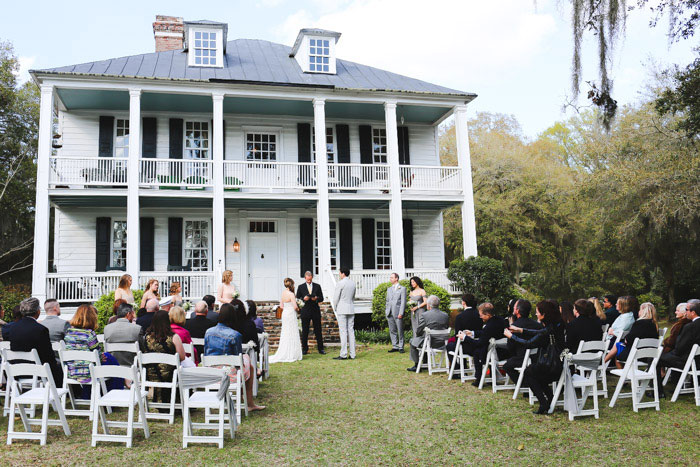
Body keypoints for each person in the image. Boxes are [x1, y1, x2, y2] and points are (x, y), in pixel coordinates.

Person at [504, 300, 566, 414]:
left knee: (529, 372)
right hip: (560, 363)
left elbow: (529, 343)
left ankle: (543, 403)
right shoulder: (557, 324)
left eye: (537, 312)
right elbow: (540, 332)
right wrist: (521, 330)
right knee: (535, 371)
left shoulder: (549, 329)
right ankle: (550, 398)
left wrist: (512, 336)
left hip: (553, 367)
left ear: (544, 314)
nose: (536, 314)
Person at [204, 303, 265, 411]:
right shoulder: (235, 335)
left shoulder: (208, 332)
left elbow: (206, 353)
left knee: (245, 361)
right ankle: (249, 403)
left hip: (211, 372)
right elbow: (237, 360)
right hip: (229, 373)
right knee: (249, 366)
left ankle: (244, 399)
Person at [65, 304, 123, 396]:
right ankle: (116, 392)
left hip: (72, 370)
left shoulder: (69, 333)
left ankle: (89, 395)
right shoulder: (89, 334)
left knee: (108, 358)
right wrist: (101, 355)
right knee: (111, 360)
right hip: (88, 371)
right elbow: (97, 355)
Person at [8, 298, 63, 386]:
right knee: (59, 368)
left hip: (17, 372)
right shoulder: (41, 329)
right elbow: (48, 356)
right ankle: (61, 393)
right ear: (38, 311)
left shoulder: (13, 328)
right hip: (37, 372)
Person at [657, 299, 700, 398]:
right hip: (696, 361)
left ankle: (658, 391)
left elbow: (679, 348)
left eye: (687, 309)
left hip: (687, 361)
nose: (686, 311)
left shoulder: (690, 327)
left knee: (655, 359)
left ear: (693, 313)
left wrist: (670, 354)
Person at [141, 309, 185, 404]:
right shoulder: (174, 337)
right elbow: (182, 357)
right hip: (170, 375)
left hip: (150, 374)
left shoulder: (145, 337)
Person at [459, 302, 507, 385]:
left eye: (481, 314)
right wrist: (472, 333)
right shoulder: (500, 320)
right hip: (504, 350)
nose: (480, 316)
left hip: (494, 353)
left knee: (477, 351)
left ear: (488, 314)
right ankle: (491, 377)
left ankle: (479, 379)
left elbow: (479, 343)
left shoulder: (489, 325)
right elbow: (486, 333)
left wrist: (464, 338)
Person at [605, 302, 659, 366]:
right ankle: (603, 363)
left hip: (636, 354)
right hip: (650, 354)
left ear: (643, 311)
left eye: (640, 310)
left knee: (618, 351)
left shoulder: (639, 323)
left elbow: (629, 339)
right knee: (618, 346)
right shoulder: (655, 324)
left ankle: (603, 363)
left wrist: (625, 339)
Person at [503, 299, 541, 389]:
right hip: (537, 358)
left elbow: (510, 348)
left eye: (515, 307)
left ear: (517, 311)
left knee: (507, 366)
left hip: (522, 358)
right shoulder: (537, 325)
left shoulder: (514, 327)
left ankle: (525, 384)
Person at [407, 295, 449, 372]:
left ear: (429, 305)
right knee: (424, 339)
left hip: (430, 342)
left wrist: (418, 335)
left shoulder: (425, 315)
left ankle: (417, 365)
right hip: (443, 343)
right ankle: (425, 362)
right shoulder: (445, 315)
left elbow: (419, 330)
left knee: (413, 341)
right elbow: (446, 327)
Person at [271, 278, 303, 363]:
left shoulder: (283, 293)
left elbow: (281, 306)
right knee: (292, 332)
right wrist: (299, 309)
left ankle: (286, 351)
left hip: (285, 314)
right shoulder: (291, 294)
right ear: (291, 285)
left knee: (286, 332)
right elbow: (295, 306)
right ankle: (292, 353)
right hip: (291, 314)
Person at [446, 293, 481, 369]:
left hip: (466, 347)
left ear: (464, 302)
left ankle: (456, 368)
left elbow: (457, 335)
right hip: (478, 345)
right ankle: (463, 366)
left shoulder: (460, 317)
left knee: (450, 346)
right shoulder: (479, 315)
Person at [296, 271, 326, 355]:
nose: (309, 280)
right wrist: (303, 299)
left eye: (310, 279)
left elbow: (322, 298)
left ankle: (321, 349)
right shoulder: (301, 287)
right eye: (307, 279)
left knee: (318, 330)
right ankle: (305, 349)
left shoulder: (317, 286)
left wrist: (316, 299)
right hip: (305, 311)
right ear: (305, 278)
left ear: (312, 277)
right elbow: (297, 299)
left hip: (315, 310)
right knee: (305, 330)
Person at [104, 302, 141, 366]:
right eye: (132, 313)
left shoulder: (107, 328)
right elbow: (142, 348)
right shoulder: (137, 329)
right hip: (132, 367)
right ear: (128, 314)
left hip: (113, 367)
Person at [333, 268, 357, 360]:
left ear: (343, 274)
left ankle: (343, 354)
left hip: (342, 309)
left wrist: (335, 307)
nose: (339, 274)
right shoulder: (353, 283)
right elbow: (353, 297)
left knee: (343, 332)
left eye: (339, 273)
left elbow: (335, 298)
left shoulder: (340, 283)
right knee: (351, 331)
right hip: (350, 308)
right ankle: (352, 354)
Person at [385, 272, 406, 353]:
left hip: (398, 312)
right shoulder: (389, 289)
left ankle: (401, 346)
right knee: (392, 330)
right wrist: (386, 310)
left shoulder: (402, 288)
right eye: (390, 277)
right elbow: (387, 301)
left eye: (392, 277)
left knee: (400, 330)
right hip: (389, 312)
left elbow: (403, 302)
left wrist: (401, 313)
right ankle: (395, 346)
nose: (390, 279)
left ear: (396, 278)